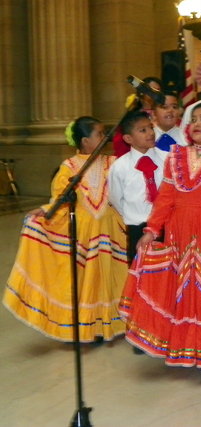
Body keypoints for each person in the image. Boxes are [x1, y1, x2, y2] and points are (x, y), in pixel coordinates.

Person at [119, 101, 201, 368]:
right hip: (179, 232)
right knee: (180, 289)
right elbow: (166, 198)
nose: (197, 124)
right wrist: (151, 229)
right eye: (194, 119)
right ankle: (181, 347)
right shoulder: (175, 156)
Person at [3, 116, 128, 343]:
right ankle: (87, 326)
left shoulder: (113, 162)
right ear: (84, 141)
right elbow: (59, 199)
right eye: (99, 134)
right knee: (86, 279)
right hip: (82, 232)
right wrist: (45, 211)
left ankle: (108, 322)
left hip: (109, 229)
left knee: (108, 276)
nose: (104, 138)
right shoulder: (69, 168)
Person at [108, 110, 168, 265]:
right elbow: (116, 198)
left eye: (150, 128)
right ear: (128, 138)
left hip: (166, 225)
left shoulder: (167, 159)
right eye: (143, 130)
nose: (150, 133)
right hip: (137, 227)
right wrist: (133, 215)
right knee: (139, 272)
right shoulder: (120, 166)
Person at [113, 76, 164, 158]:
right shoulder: (133, 118)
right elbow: (121, 147)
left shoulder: (165, 116)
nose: (154, 94)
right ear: (142, 93)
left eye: (158, 91)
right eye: (151, 90)